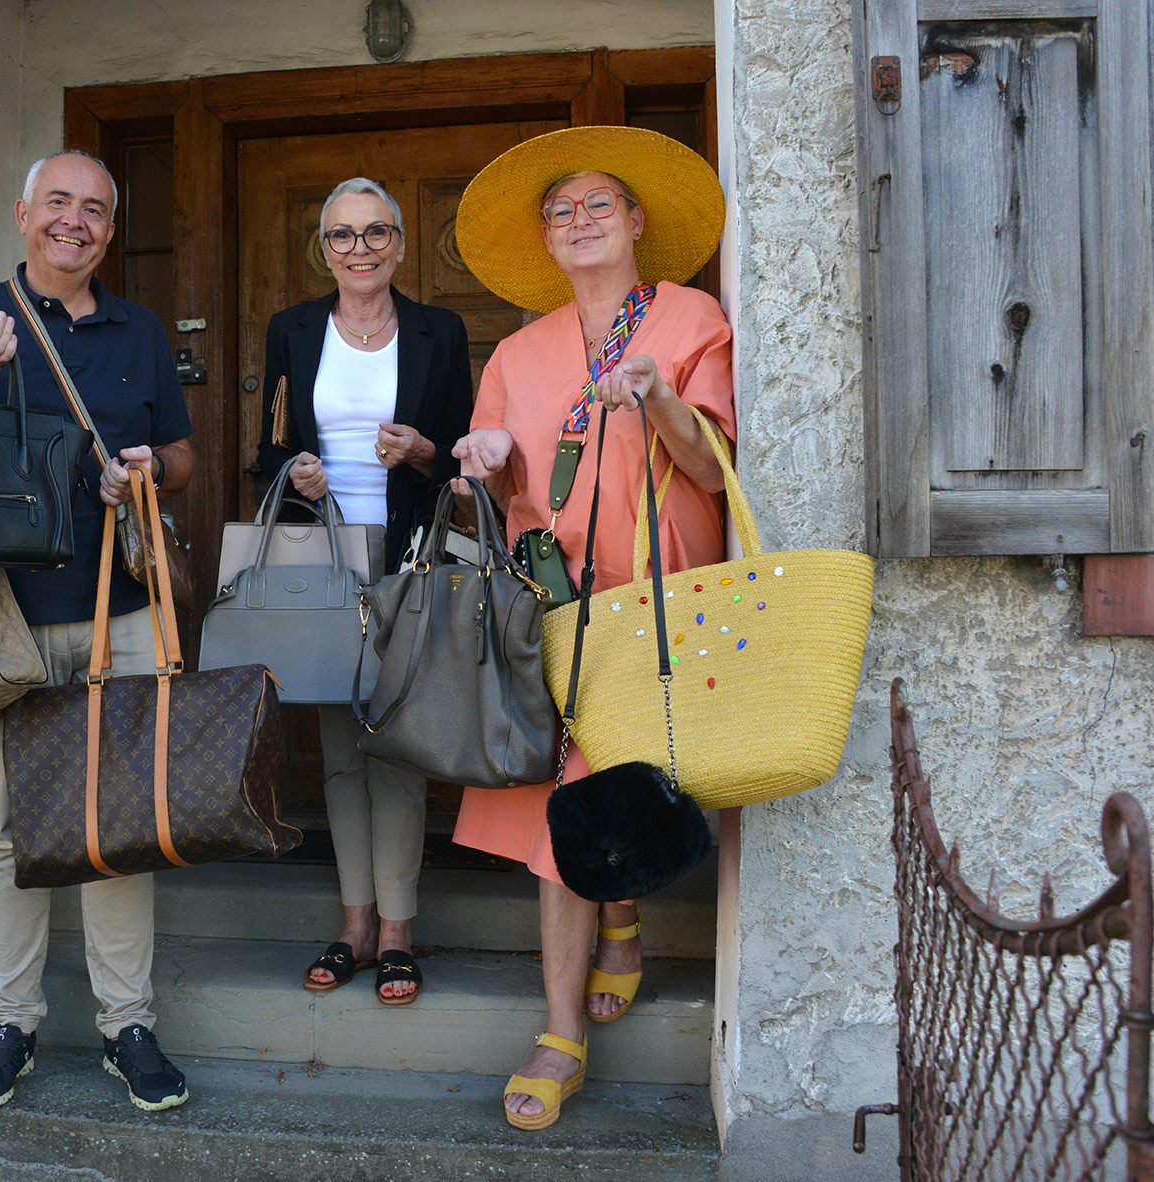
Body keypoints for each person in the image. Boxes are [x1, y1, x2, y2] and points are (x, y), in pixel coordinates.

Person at [0, 150, 194, 1113]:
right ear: (23, 213)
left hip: (123, 611)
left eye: (96, 209)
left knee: (119, 829)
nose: (77, 220)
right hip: (6, 617)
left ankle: (127, 1026)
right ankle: (9, 1023)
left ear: (110, 229)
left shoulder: (139, 329)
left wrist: (148, 468)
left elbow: (183, 454)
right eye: (59, 202)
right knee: (7, 830)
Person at [448, 127, 733, 1129]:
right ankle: (561, 1028)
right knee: (557, 806)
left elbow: (707, 468)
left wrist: (655, 394)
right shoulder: (520, 352)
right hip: (555, 610)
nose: (577, 221)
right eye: (559, 211)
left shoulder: (691, 318)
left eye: (597, 205)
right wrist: (484, 459)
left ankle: (623, 908)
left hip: (665, 601)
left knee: (633, 774)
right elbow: (503, 484)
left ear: (637, 222)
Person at [255, 177, 473, 1006]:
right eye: (342, 236)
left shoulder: (437, 330)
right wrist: (295, 471)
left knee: (399, 743)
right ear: (324, 248)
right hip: (322, 556)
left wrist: (420, 450)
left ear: (401, 244)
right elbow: (267, 450)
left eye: (375, 233)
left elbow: (459, 452)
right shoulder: (293, 331)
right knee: (342, 749)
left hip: (409, 553)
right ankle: (353, 924)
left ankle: (398, 934)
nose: (359, 249)